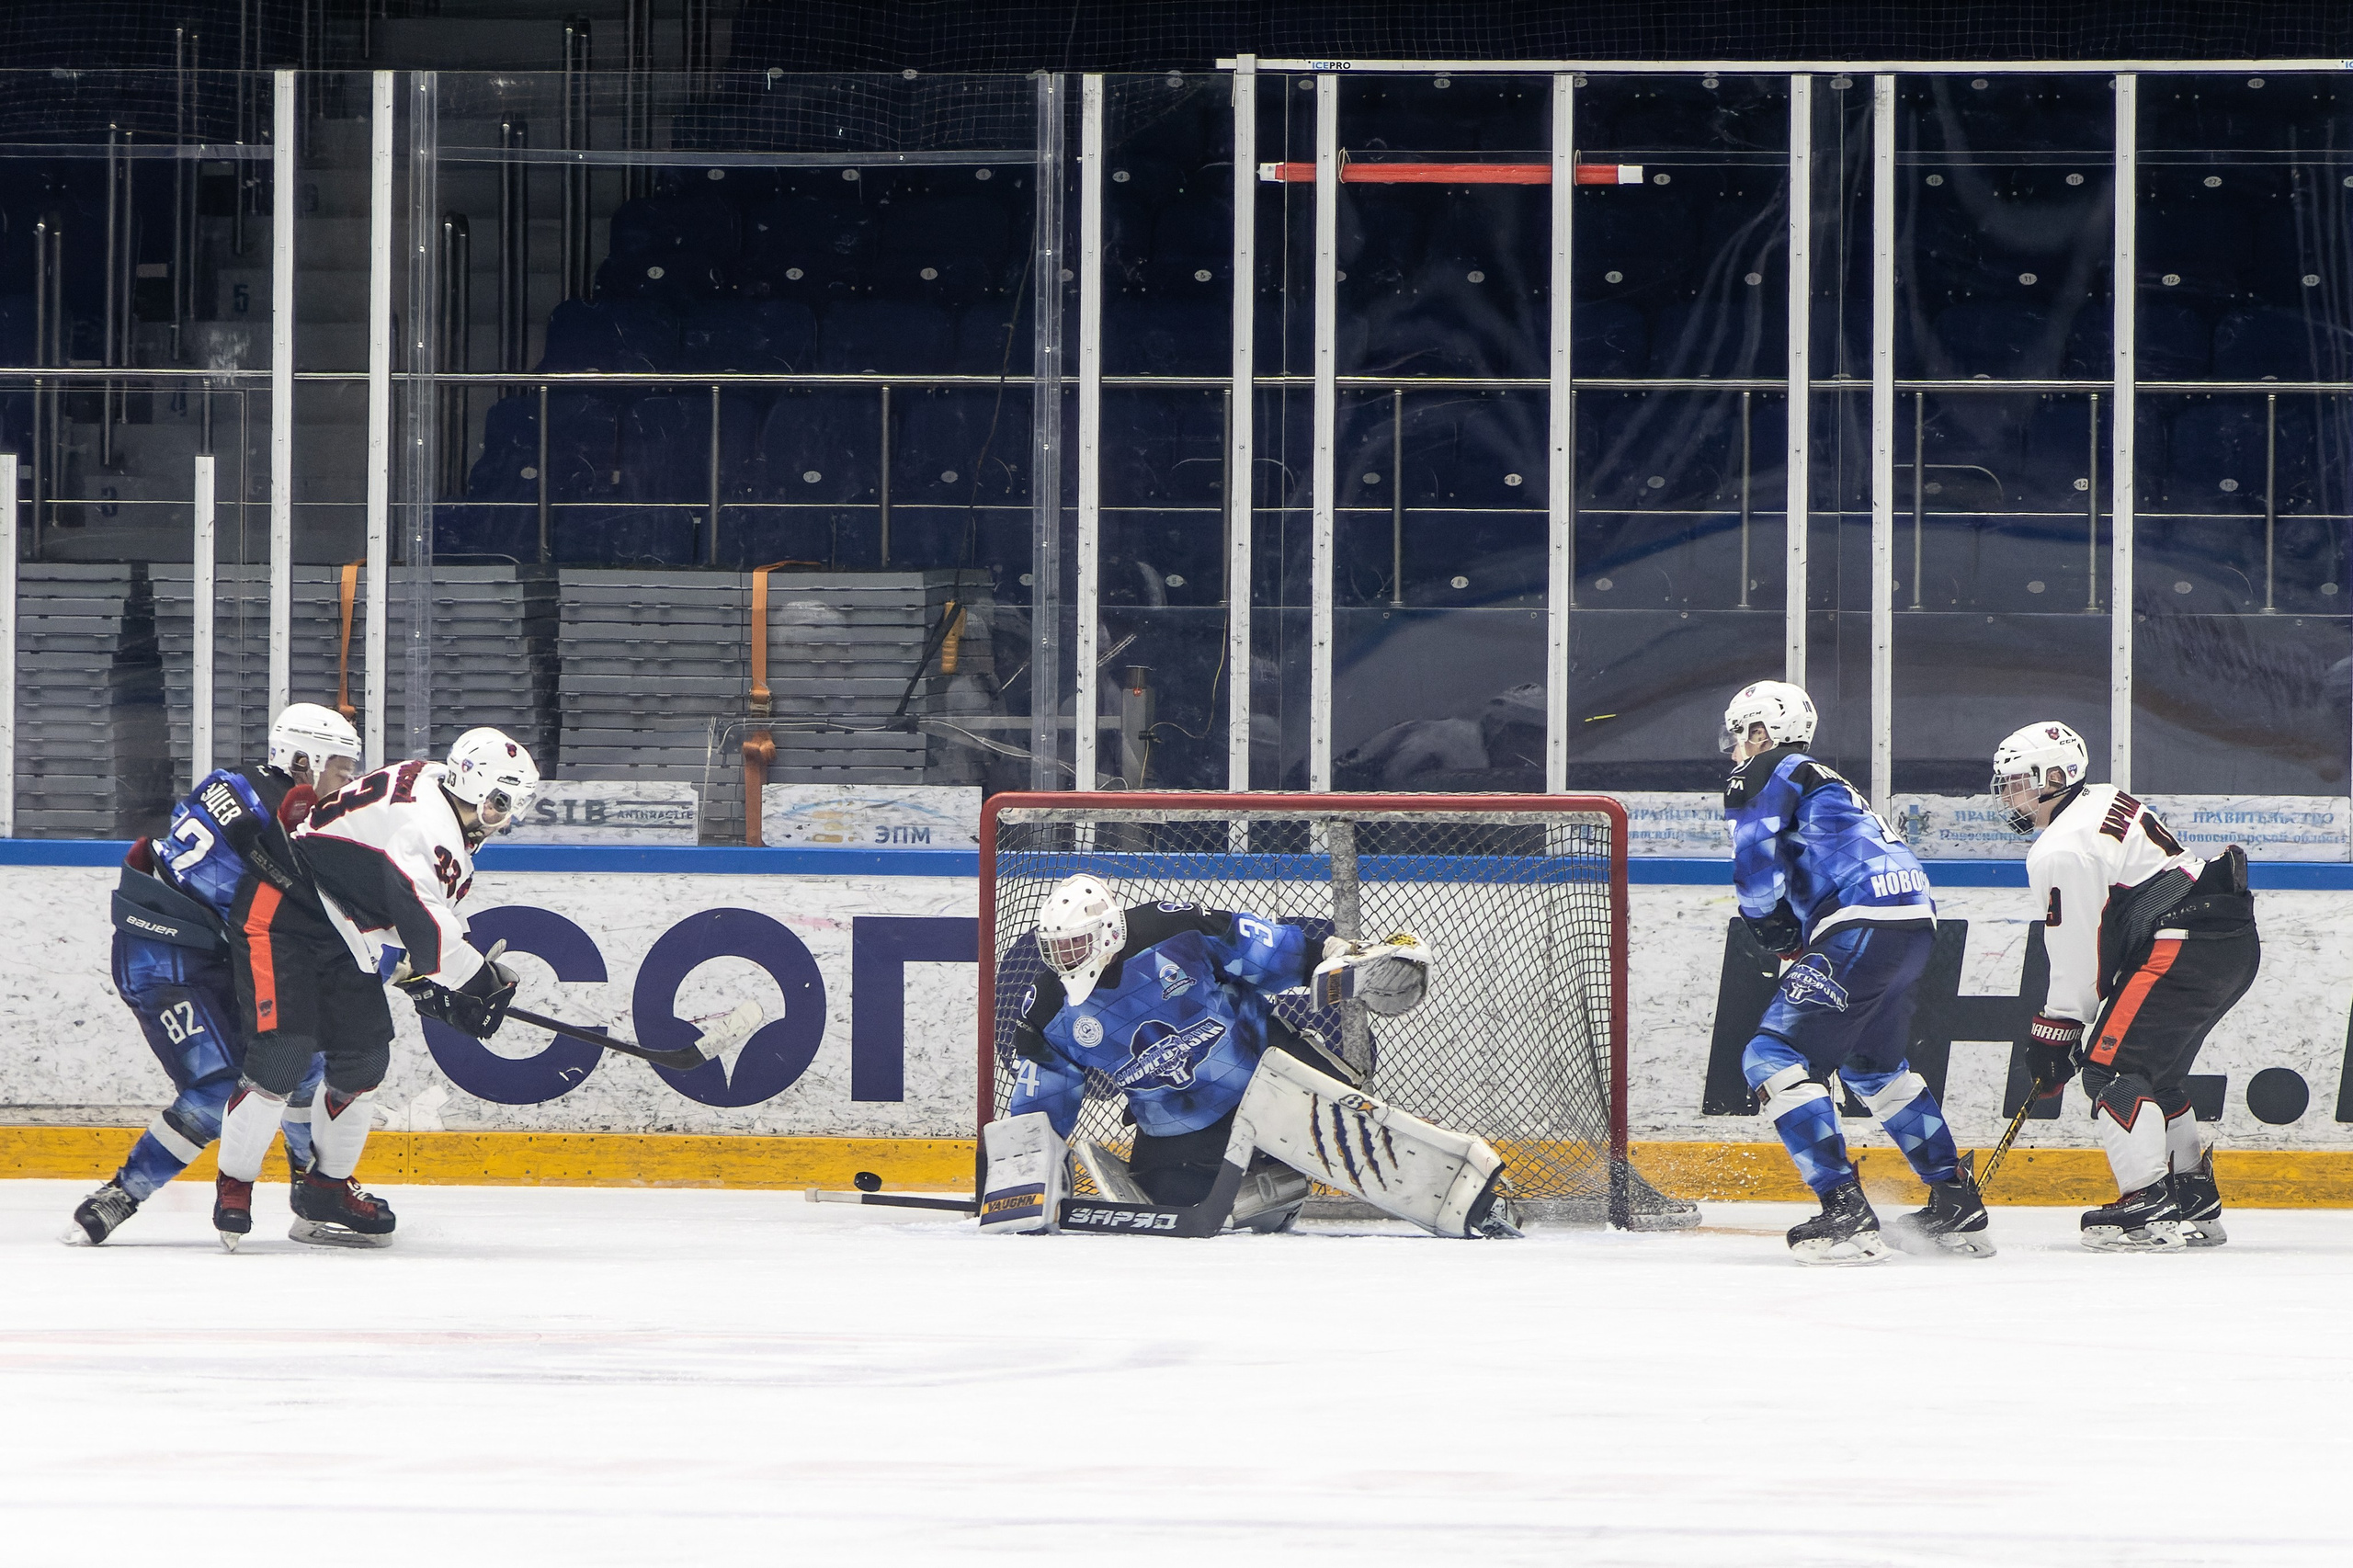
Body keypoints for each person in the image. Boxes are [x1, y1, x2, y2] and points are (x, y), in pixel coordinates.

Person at [985, 875, 1513, 1238]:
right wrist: (1022, 1176)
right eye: (1055, 949)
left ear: (1106, 930)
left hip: (1275, 1076)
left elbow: (1269, 951)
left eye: (1074, 946)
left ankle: (1476, 1195)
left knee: (1374, 1149)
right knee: (1164, 1213)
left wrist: (1330, 956)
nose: (1064, 959)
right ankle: (1270, 1187)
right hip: (1180, 1129)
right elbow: (1040, 1105)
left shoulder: (1176, 931)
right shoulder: (1050, 1009)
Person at [205, 726, 540, 1249]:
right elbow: (427, 930)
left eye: (512, 805)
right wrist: (477, 982)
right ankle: (234, 1185)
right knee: (283, 1054)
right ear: (470, 785)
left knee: (363, 1060)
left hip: (343, 923)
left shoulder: (433, 784)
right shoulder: (431, 828)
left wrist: (430, 978)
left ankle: (326, 1190)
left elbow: (401, 902)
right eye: (500, 802)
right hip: (284, 908)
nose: (505, 818)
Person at [68, 704, 361, 1246]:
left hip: (209, 948)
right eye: (341, 768)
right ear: (304, 760)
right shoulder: (286, 825)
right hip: (161, 955)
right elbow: (305, 918)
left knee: (304, 1057)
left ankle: (312, 1195)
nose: (349, 782)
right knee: (218, 1088)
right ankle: (120, 1194)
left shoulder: (239, 783)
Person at [1722, 679, 1991, 1264]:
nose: (1735, 748)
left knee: (1769, 1058)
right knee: (1874, 1069)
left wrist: (1769, 930)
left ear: (1762, 730)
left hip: (1861, 920)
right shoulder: (1824, 778)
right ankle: (1954, 1203)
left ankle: (1844, 1210)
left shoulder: (1768, 768)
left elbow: (1754, 861)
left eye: (1740, 733)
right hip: (1912, 921)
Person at [1994, 722, 2259, 1252]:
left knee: (2110, 1070)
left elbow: (2079, 950)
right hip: (2225, 941)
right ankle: (2191, 1198)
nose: (2009, 796)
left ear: (2054, 776)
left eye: (2018, 782)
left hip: (2184, 943)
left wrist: (2058, 1028)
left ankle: (2147, 1206)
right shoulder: (2101, 798)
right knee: (2149, 1076)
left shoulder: (2061, 849)